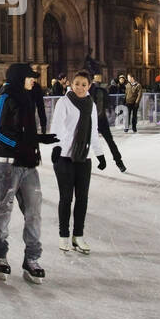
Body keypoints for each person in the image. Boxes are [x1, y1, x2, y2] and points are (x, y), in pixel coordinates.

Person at [0, 62, 58, 284]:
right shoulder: (6, 97)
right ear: (19, 77)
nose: (33, 80)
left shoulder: (27, 99)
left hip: (29, 165)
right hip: (8, 164)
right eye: (30, 77)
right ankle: (0, 255)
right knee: (4, 209)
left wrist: (38, 140)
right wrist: (18, 147)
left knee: (34, 212)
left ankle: (32, 259)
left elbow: (24, 134)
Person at [50, 70, 104, 255]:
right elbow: (56, 126)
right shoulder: (64, 102)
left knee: (82, 199)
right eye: (77, 84)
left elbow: (93, 130)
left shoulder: (91, 104)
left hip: (84, 158)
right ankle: (63, 235)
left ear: (89, 86)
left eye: (84, 84)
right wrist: (57, 147)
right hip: (64, 157)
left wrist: (100, 154)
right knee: (66, 198)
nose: (80, 87)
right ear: (71, 85)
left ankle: (78, 236)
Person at [86, 78, 127, 173]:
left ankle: (119, 162)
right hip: (91, 121)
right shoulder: (84, 92)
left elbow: (100, 108)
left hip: (100, 120)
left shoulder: (99, 92)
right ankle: (82, 164)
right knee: (85, 143)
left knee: (110, 141)